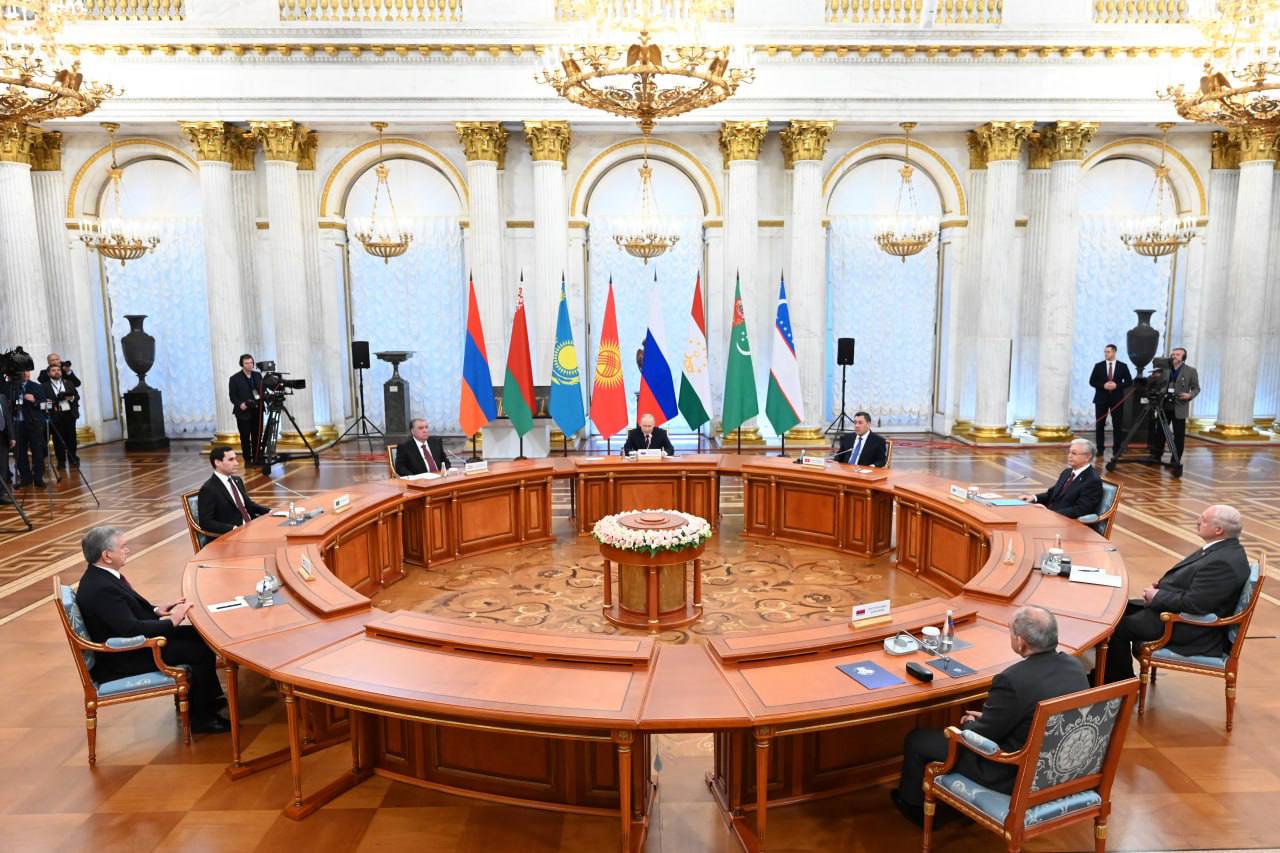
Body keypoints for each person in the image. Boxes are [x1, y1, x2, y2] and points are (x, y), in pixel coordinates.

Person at [891, 606, 1088, 826]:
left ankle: (913, 809)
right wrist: (990, 718)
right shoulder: (1075, 667)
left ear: (1020, 642)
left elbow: (984, 736)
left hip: (1010, 773)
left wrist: (972, 725)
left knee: (918, 740)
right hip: (1062, 769)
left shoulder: (1013, 680)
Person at [75, 526, 229, 733]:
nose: (127, 549)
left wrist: (157, 610)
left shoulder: (101, 577)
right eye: (123, 546)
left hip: (129, 644)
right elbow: (130, 628)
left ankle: (205, 698)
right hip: (124, 656)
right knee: (197, 651)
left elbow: (125, 612)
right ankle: (201, 719)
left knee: (198, 634)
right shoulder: (101, 588)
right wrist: (172, 621)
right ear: (107, 555)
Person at [1103, 504, 1250, 683]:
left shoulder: (1223, 562)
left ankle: (1117, 681)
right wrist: (1162, 588)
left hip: (1189, 628)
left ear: (1218, 530)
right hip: (1175, 613)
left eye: (1204, 520)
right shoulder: (1222, 549)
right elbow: (1195, 585)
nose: (1198, 521)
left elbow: (1195, 604)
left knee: (1117, 627)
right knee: (1117, 609)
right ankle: (1107, 673)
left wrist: (1157, 596)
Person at [1018, 438, 1103, 519]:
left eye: (1074, 453)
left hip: (1068, 522)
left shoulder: (1092, 480)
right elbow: (1052, 494)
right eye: (1069, 452)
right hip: (1050, 516)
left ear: (1087, 457)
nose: (1069, 456)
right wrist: (1034, 497)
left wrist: (1049, 512)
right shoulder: (1067, 472)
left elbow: (1081, 510)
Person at [197, 445, 270, 535]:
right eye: (231, 460)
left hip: (251, 527)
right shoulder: (208, 489)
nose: (236, 463)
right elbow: (205, 523)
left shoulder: (237, 480)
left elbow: (248, 505)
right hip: (232, 535)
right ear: (217, 462)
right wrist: (233, 528)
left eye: (235, 459)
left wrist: (270, 511)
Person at [1147, 347, 1198, 463]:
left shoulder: (1191, 371)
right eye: (1173, 354)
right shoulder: (1164, 370)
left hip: (1179, 406)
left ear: (1183, 357)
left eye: (1177, 354)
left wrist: (1190, 395)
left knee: (1179, 435)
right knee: (1160, 432)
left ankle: (1175, 459)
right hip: (1164, 405)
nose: (1174, 356)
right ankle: (1156, 455)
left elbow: (1196, 388)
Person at [1088, 344, 1132, 455]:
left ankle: (1116, 449)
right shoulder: (1098, 366)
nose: (1106, 354)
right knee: (1100, 425)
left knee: (1117, 425)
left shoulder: (1123, 366)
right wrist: (1103, 385)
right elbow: (1092, 381)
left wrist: (1117, 385)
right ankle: (1100, 449)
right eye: (1105, 352)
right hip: (1101, 399)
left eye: (1108, 352)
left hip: (1117, 400)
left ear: (1114, 352)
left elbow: (1129, 382)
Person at [9, 370, 48, 488]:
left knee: (37, 451)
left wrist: (34, 400)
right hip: (18, 424)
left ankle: (38, 478)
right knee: (20, 452)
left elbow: (44, 404)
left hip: (34, 423)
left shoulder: (36, 386)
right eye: (22, 372)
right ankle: (25, 478)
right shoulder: (13, 387)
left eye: (27, 371)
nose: (25, 374)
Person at [40, 360, 80, 469]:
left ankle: (73, 458)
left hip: (69, 414)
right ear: (49, 373)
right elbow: (42, 403)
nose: (57, 372)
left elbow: (77, 396)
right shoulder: (44, 386)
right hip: (55, 415)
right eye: (53, 370)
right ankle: (61, 461)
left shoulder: (68, 383)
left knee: (71, 438)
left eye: (58, 370)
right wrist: (51, 404)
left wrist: (71, 398)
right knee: (57, 439)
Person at [228, 354, 263, 464]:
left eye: (251, 363)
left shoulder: (257, 375)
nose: (249, 365)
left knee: (257, 435)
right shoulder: (234, 378)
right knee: (245, 436)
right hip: (243, 412)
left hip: (257, 410)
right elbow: (232, 396)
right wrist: (240, 404)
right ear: (242, 364)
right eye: (246, 363)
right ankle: (247, 459)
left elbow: (261, 390)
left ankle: (257, 457)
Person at [0, 389, 11, 503]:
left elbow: (8, 418)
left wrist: (12, 437)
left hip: (3, 437)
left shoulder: (2, 397)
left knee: (3, 467)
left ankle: (1, 494)